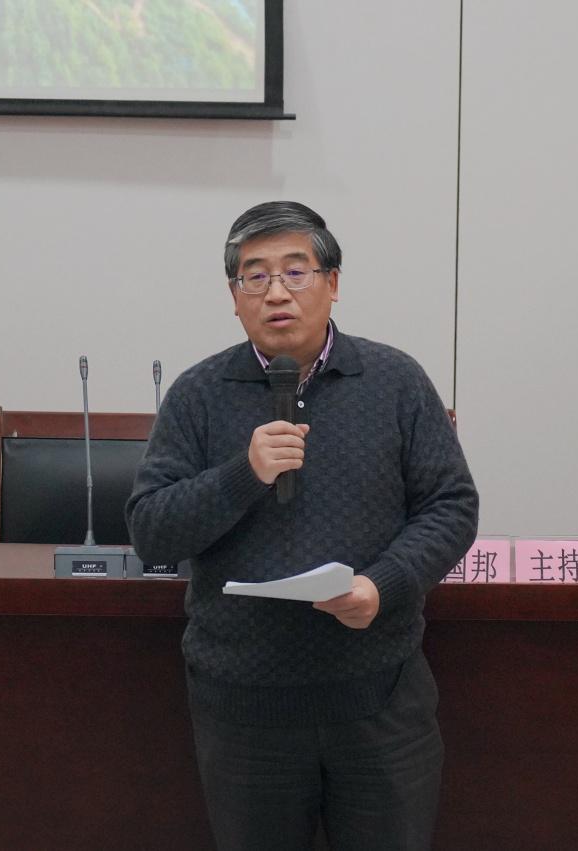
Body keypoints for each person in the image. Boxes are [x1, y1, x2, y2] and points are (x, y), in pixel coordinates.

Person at [126, 200, 479, 851]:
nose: (276, 292)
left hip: (379, 700)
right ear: (234, 297)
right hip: (245, 712)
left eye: (295, 271)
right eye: (254, 276)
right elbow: (151, 530)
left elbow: (450, 504)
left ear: (332, 282)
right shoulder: (198, 394)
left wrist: (382, 586)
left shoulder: (395, 381)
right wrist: (244, 474)